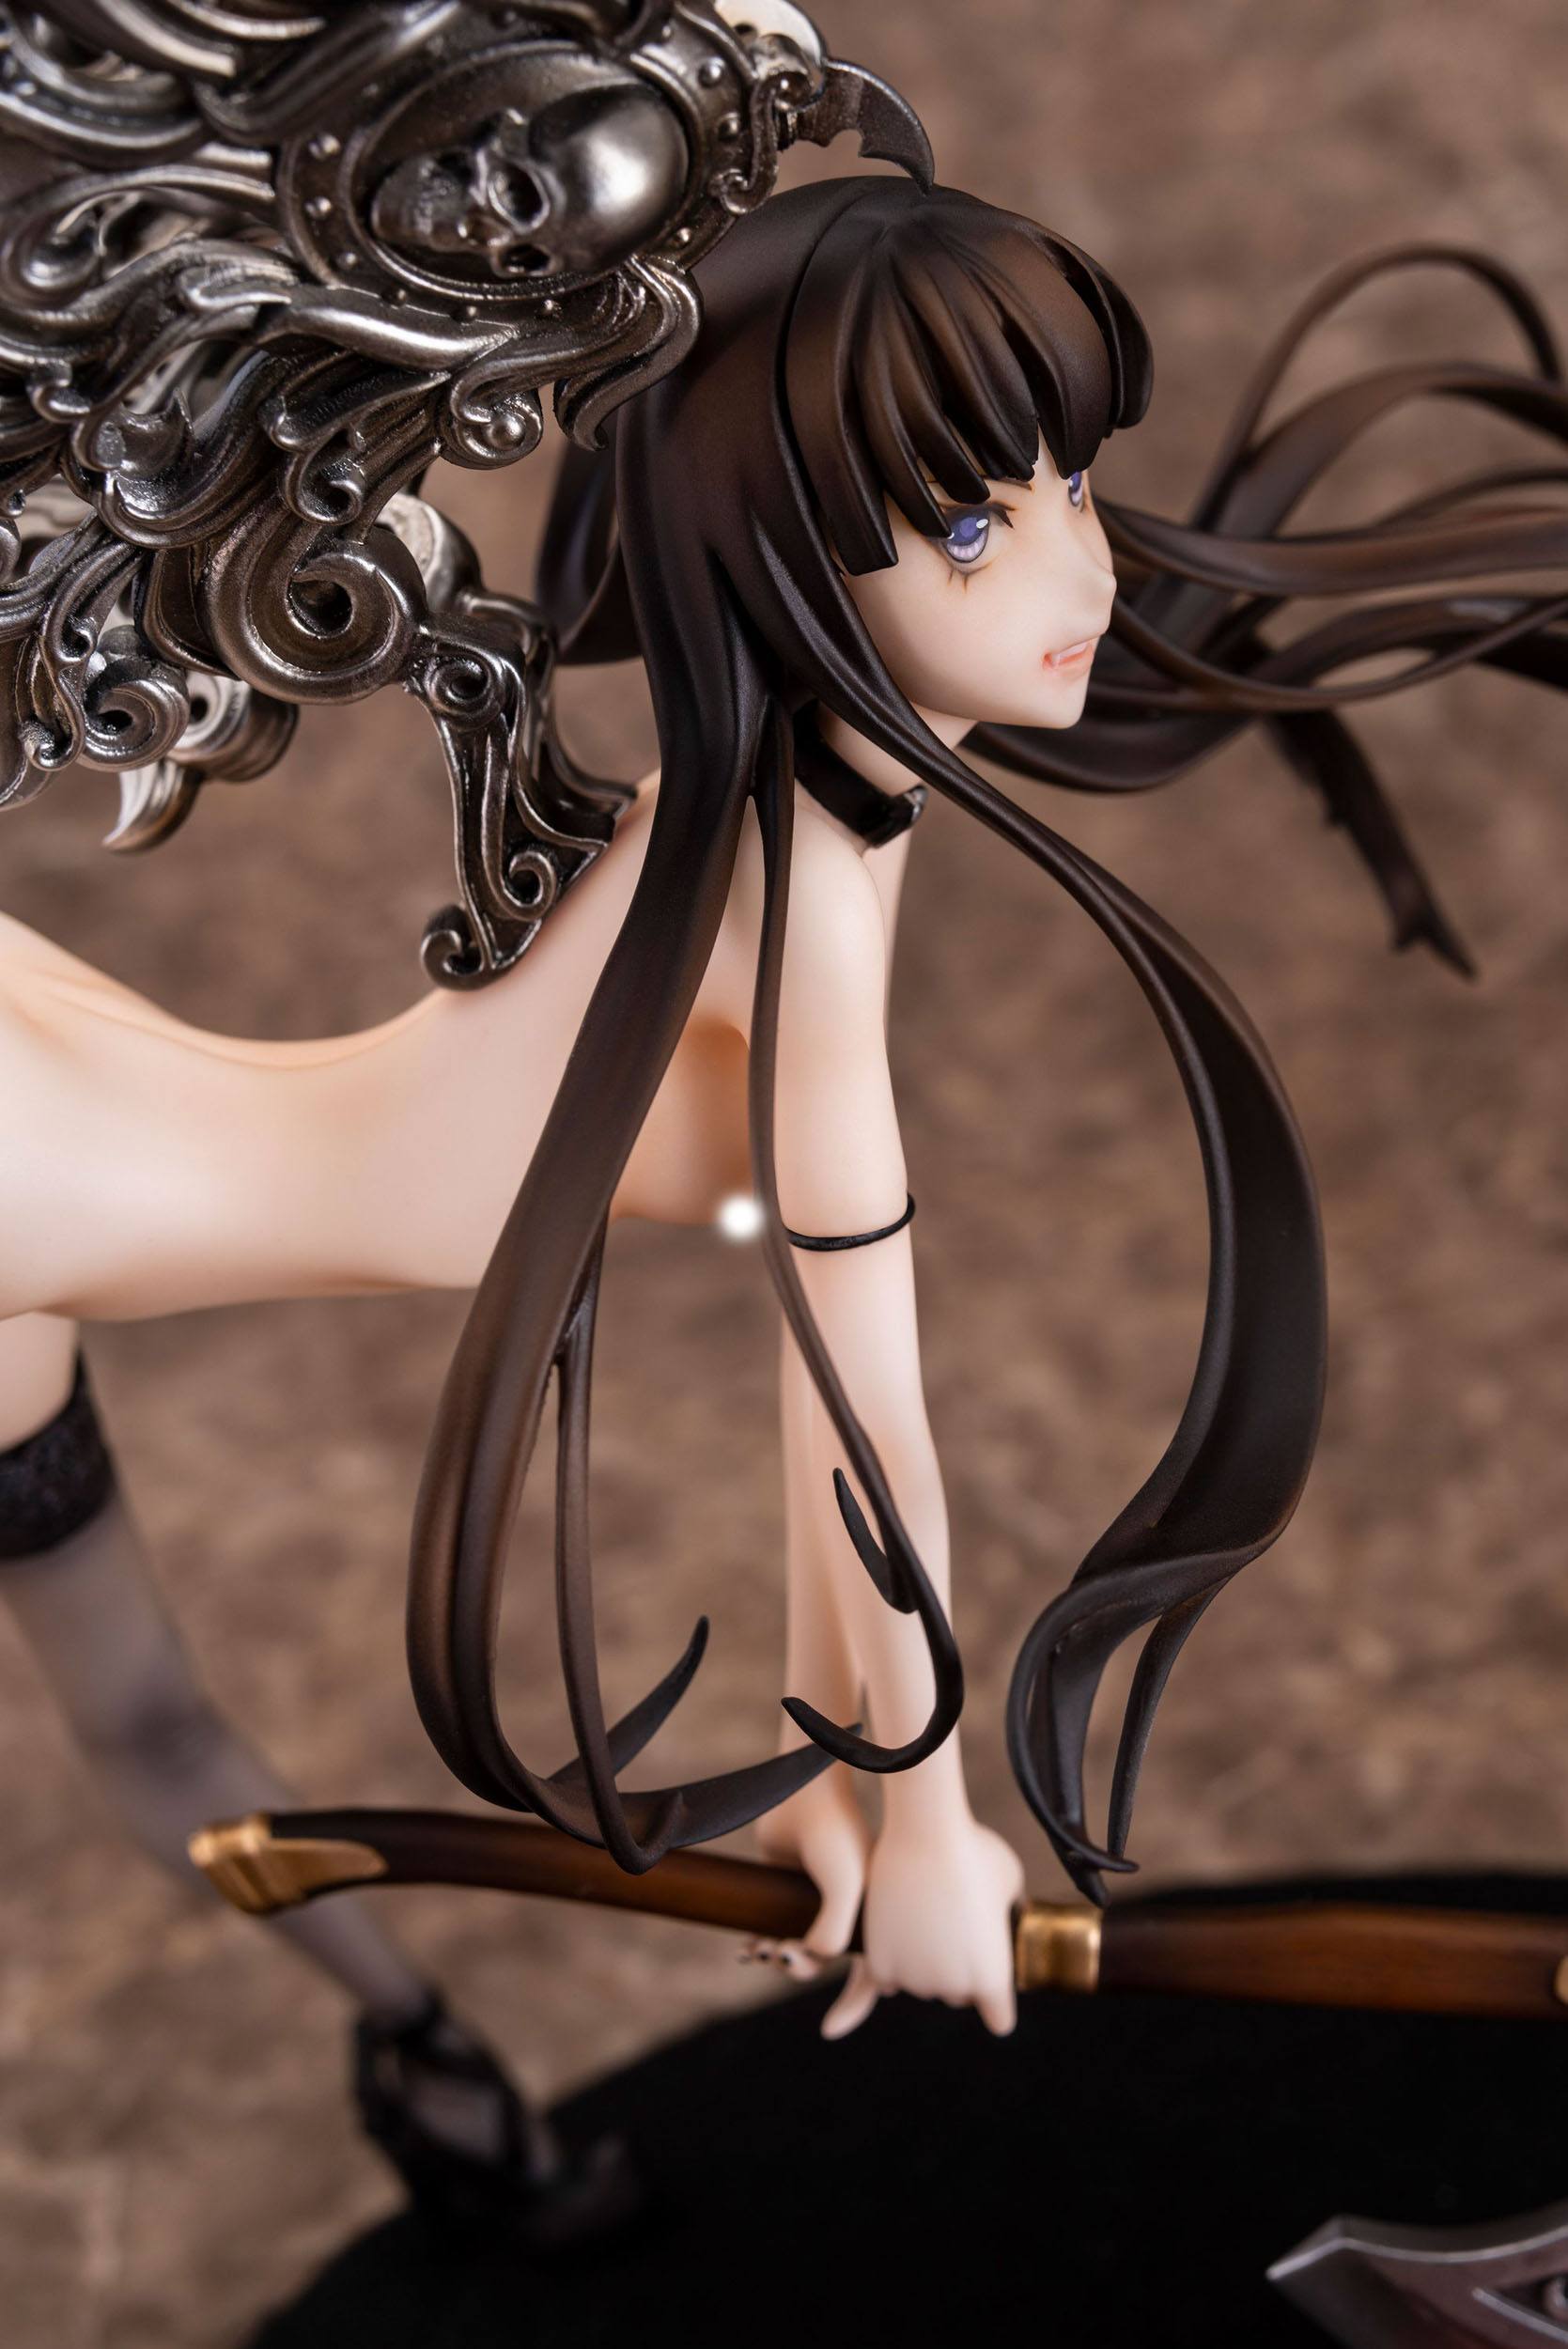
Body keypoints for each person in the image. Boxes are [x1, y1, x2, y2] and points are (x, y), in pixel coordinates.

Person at [4, 177, 1563, 2065]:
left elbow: (828, 1398)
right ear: (786, 545)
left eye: (1071, 486)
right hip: (48, 1186)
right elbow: (860, 1407)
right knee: (153, 1728)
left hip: (73, 1152)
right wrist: (919, 1820)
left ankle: (428, 2072)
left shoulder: (811, 812)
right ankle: (436, 2076)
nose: (1078, 577)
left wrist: (848, 1768)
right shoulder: (792, 880)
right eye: (972, 527)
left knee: (156, 1731)